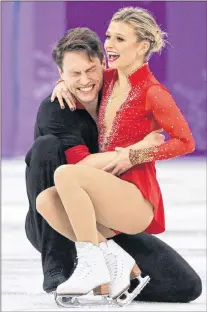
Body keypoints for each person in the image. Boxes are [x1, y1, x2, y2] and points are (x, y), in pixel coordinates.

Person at [34, 7, 200, 307]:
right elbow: (82, 77)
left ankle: (92, 265)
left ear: (142, 46)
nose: (109, 44)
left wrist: (139, 154)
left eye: (120, 38)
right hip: (106, 193)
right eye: (109, 36)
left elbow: (185, 142)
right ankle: (114, 260)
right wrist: (63, 83)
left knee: (66, 174)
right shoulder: (108, 80)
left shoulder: (152, 92)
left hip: (136, 198)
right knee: (45, 201)